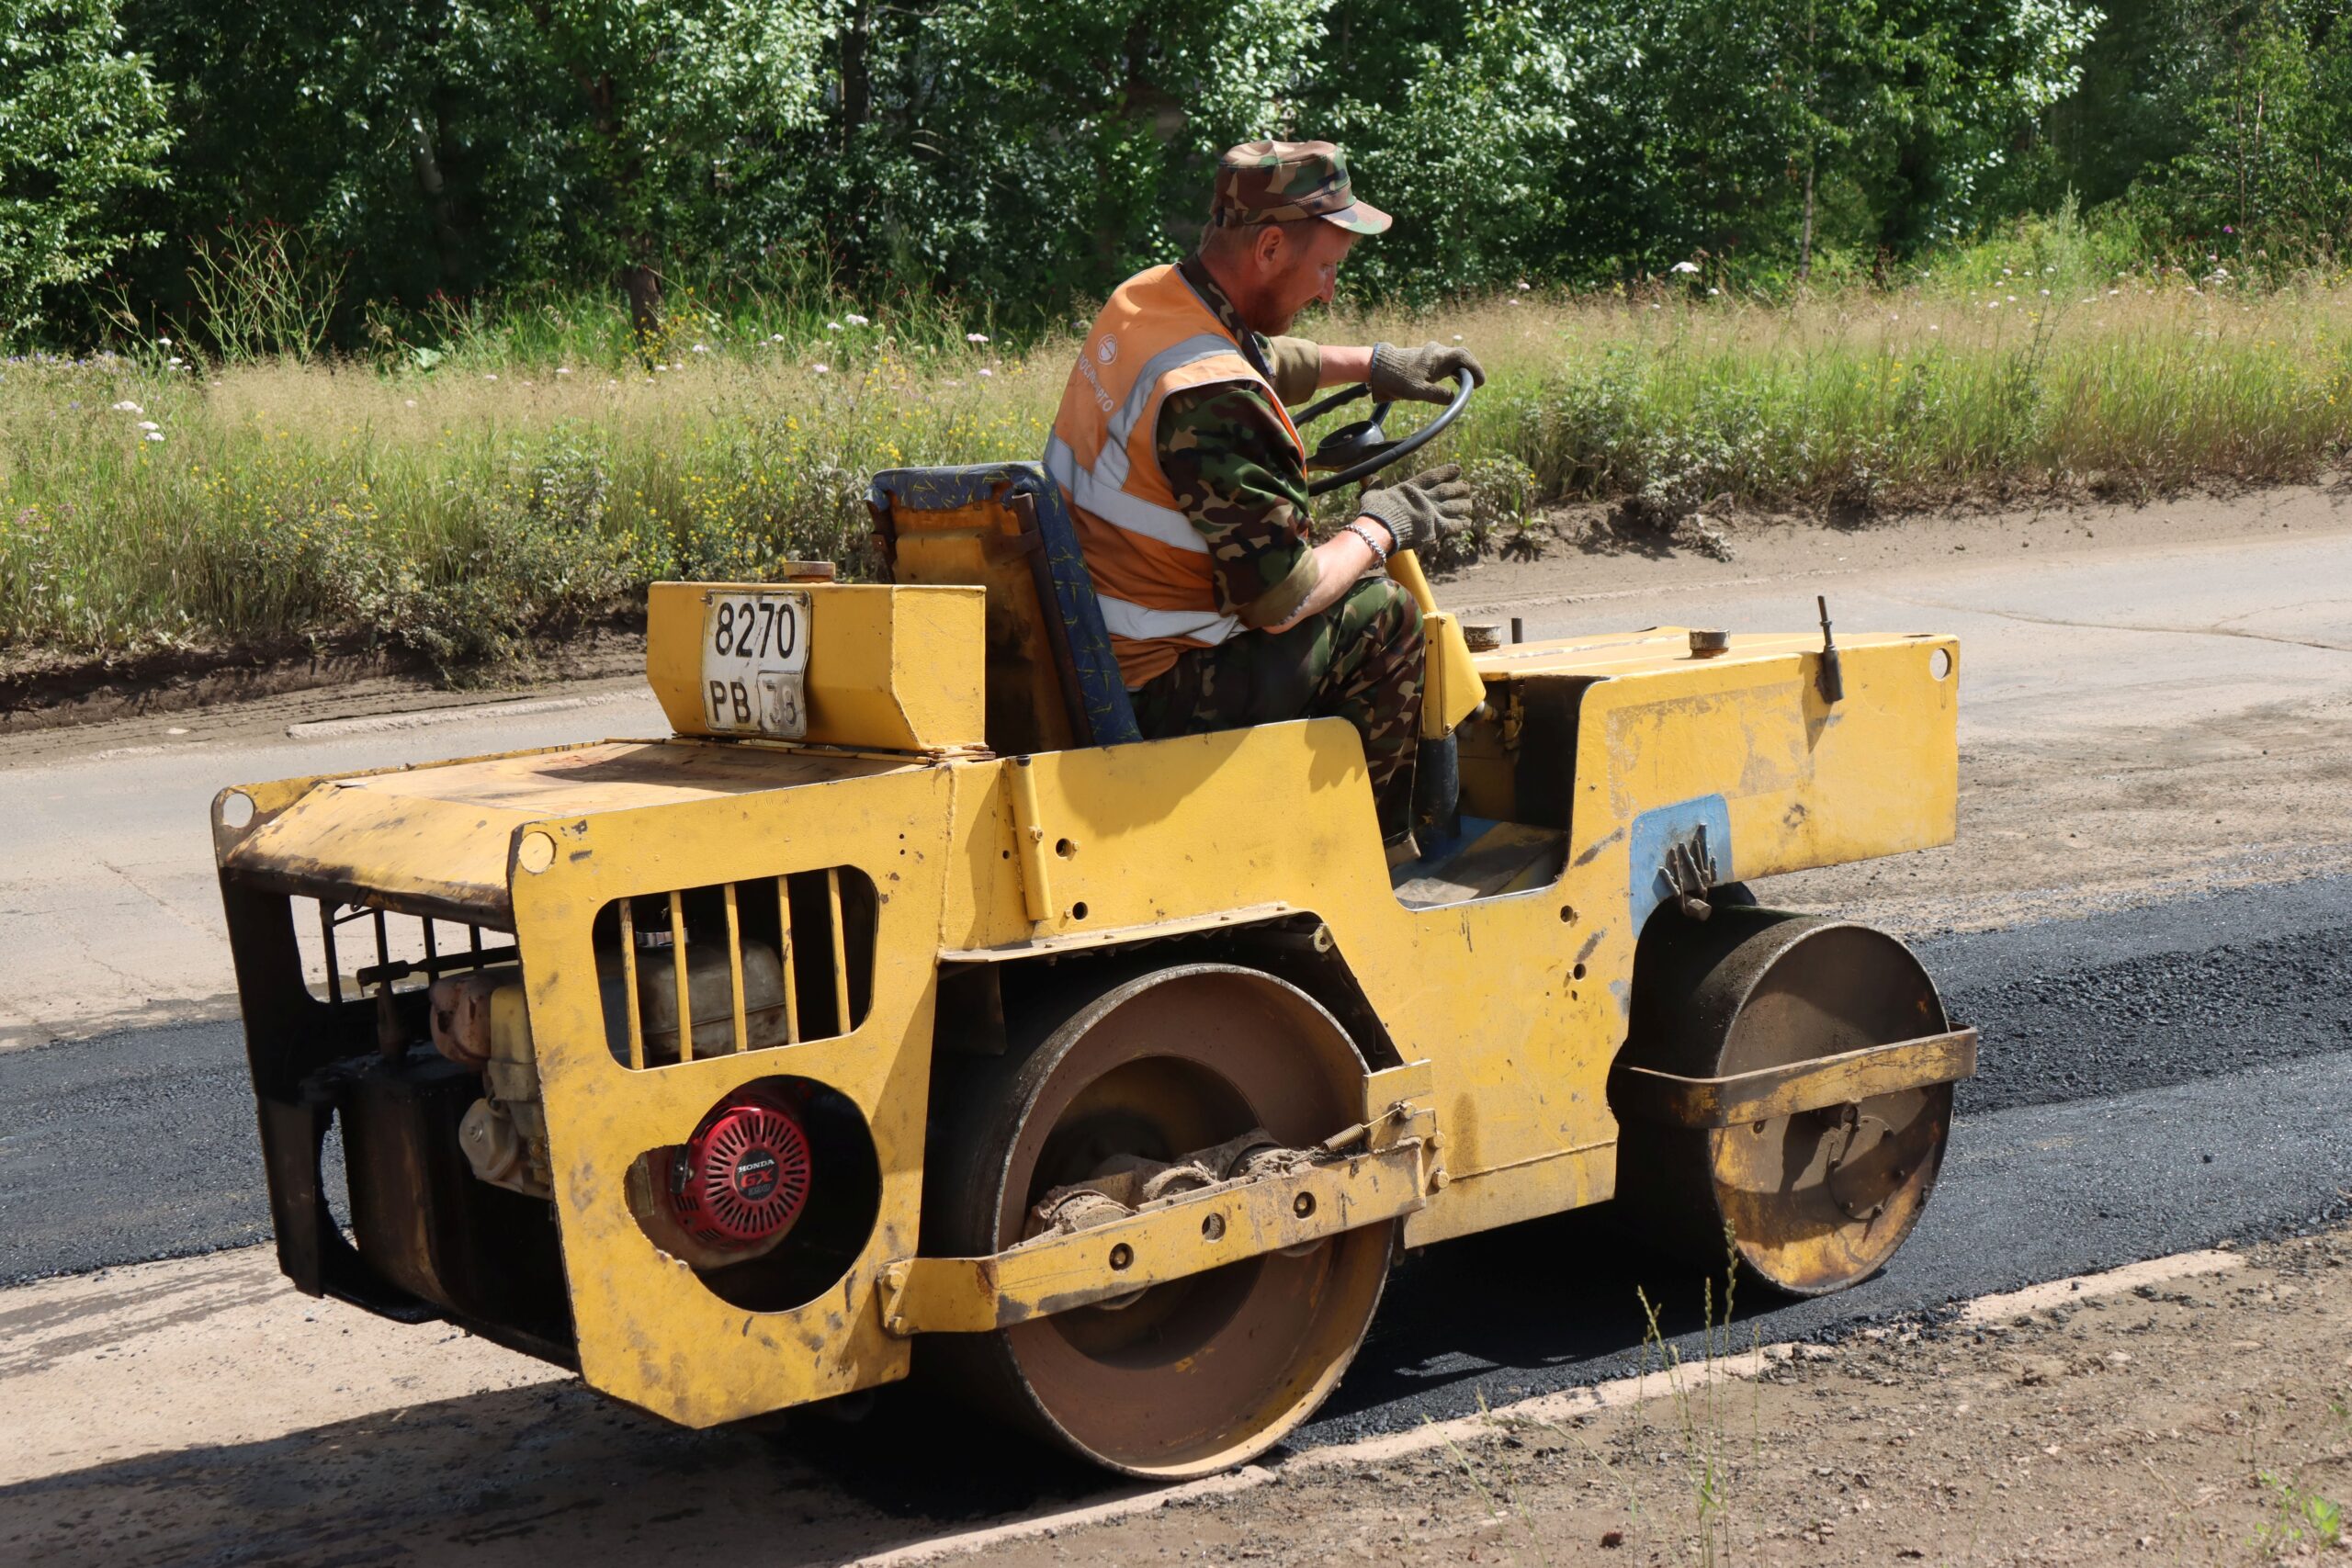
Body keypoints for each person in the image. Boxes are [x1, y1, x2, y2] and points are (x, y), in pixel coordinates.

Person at [1045, 139, 1483, 857]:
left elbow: (1252, 351)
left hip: (1098, 646)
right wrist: (1381, 526)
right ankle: (1363, 859)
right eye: (1326, 268)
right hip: (1158, 688)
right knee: (1386, 617)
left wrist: (1374, 365)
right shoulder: (1217, 399)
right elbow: (1280, 602)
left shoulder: (1148, 300)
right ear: (1271, 245)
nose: (1330, 291)